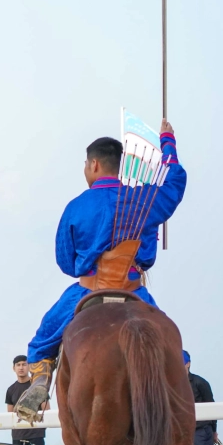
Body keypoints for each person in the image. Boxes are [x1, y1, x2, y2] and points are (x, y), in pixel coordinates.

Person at [15, 121, 186, 420]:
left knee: (41, 342)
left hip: (89, 289)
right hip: (134, 290)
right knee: (174, 352)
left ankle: (40, 384)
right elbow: (175, 181)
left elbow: (66, 262)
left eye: (85, 164)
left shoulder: (76, 206)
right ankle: (179, 392)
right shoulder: (145, 198)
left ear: (94, 165)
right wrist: (168, 142)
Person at [5, 355, 48, 445]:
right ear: (14, 368)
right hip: (18, 437)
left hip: (36, 436)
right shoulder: (11, 390)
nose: (21, 367)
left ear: (29, 366)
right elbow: (10, 416)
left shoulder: (38, 387)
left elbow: (46, 411)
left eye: (24, 364)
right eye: (18, 365)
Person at [184, 351, 218, 445]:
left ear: (188, 364)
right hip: (184, 433)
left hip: (202, 430)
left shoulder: (200, 382)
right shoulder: (172, 386)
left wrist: (214, 430)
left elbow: (212, 407)